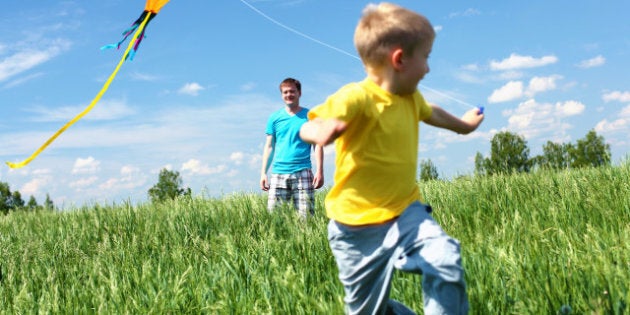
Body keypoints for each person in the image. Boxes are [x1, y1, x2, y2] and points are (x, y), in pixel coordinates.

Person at [299, 3, 484, 314]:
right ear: (400, 59)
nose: (427, 68)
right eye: (425, 57)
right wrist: (320, 131)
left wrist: (464, 126)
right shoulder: (356, 96)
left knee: (445, 259)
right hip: (355, 229)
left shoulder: (411, 99)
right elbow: (309, 124)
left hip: (406, 213)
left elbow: (433, 113)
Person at [260, 77, 324, 218]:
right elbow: (269, 146)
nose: (289, 94)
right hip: (278, 173)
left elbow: (318, 145)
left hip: (303, 172)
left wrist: (320, 171)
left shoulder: (310, 116)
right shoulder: (274, 118)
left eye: (292, 91)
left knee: (306, 219)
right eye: (285, 92)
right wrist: (263, 173)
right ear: (282, 95)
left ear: (299, 93)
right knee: (275, 220)